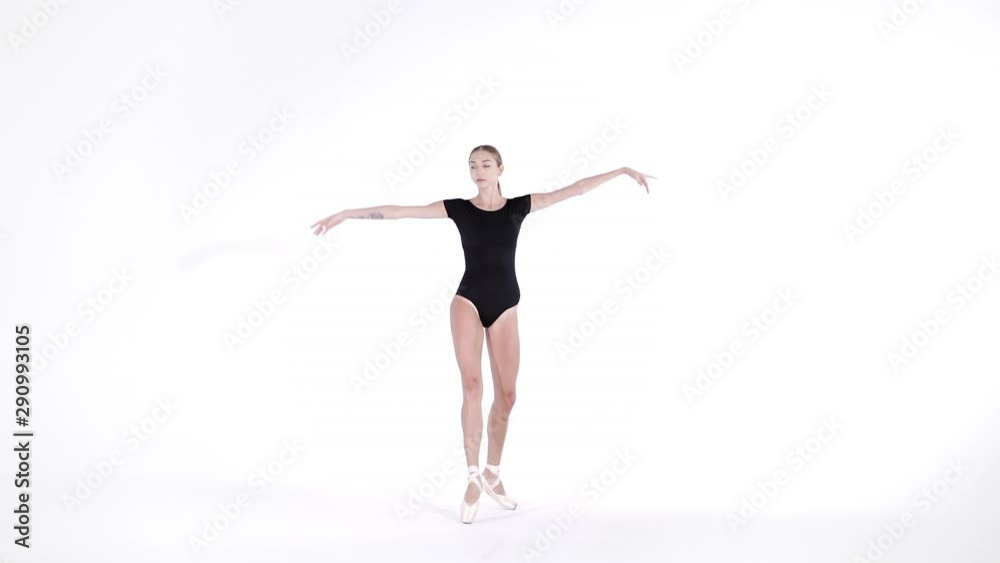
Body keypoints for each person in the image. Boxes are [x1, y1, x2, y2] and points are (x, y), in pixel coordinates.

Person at [310, 145, 654, 523]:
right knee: (472, 386)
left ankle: (493, 473)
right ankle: (473, 477)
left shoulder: (518, 207)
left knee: (508, 395)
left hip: (507, 304)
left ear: (501, 168)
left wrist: (621, 170)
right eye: (473, 165)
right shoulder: (458, 208)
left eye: (486, 164)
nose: (478, 170)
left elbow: (573, 190)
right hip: (468, 301)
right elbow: (400, 212)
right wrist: (347, 214)